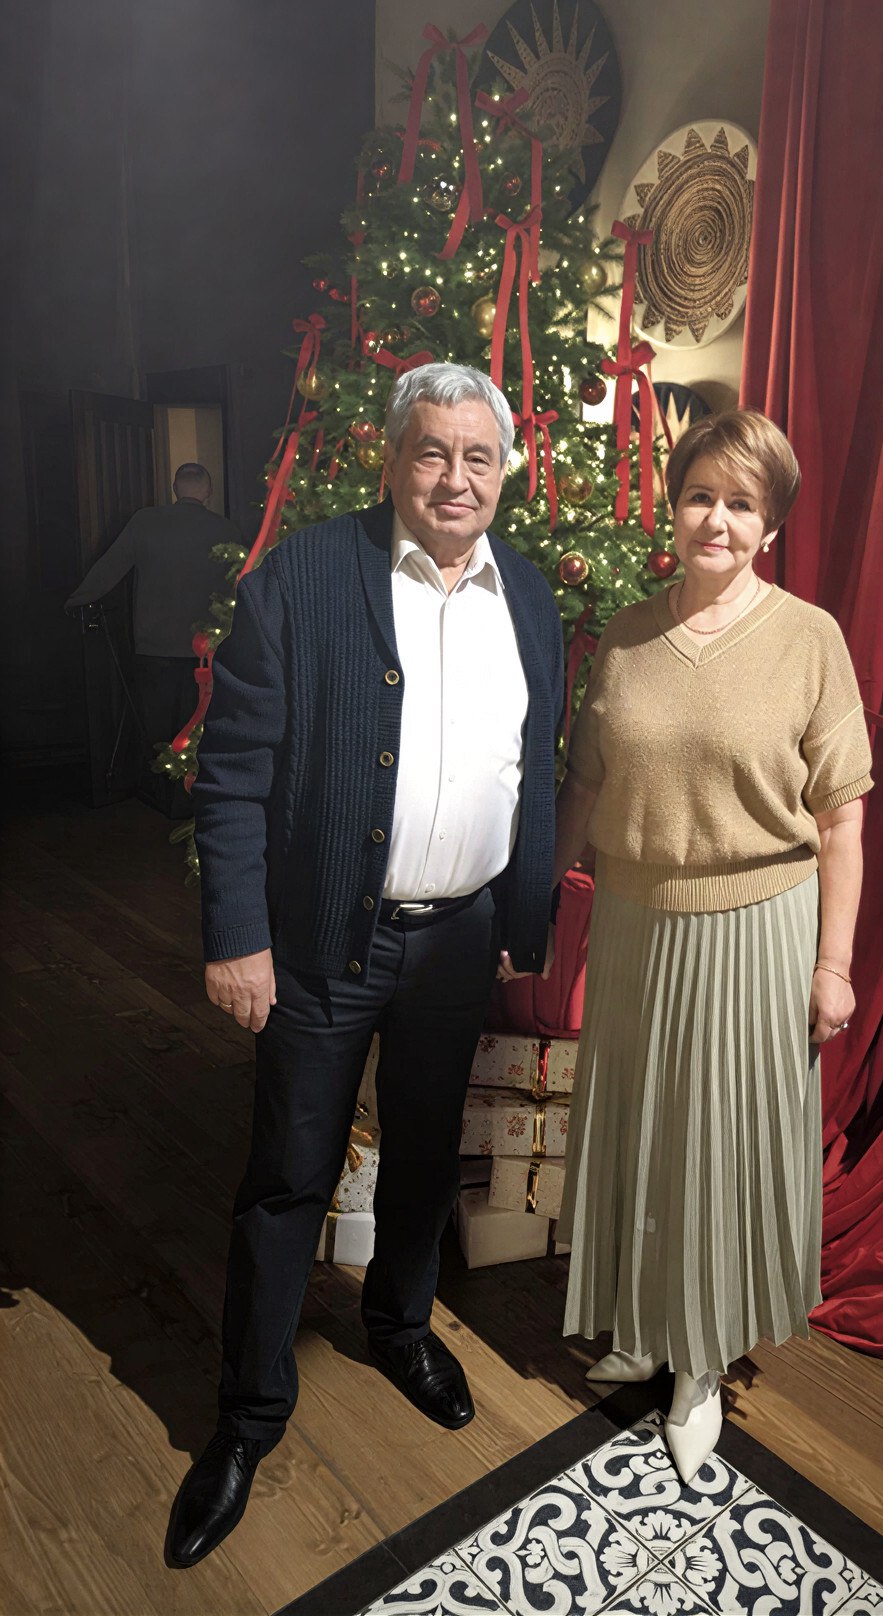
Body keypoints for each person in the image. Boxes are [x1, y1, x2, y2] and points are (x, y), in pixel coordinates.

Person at [165, 364, 563, 1569]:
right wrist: (236, 935)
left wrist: (523, 913)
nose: (454, 478)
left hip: (460, 936)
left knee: (428, 1152)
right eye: (431, 452)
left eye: (478, 457)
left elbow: (533, 765)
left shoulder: (526, 595)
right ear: (392, 460)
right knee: (288, 1173)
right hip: (323, 939)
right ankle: (247, 1415)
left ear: (505, 471)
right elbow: (232, 773)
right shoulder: (299, 578)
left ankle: (399, 1324)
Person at [550, 408, 872, 1484]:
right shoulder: (626, 635)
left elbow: (841, 822)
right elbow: (584, 784)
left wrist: (832, 965)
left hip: (757, 926)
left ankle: (698, 1361)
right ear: (673, 506)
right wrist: (536, 899)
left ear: (769, 525)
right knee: (639, 1130)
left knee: (720, 1147)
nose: (716, 520)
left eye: (741, 503)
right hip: (634, 921)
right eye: (699, 496)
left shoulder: (808, 638)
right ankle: (644, 1324)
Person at [64, 463, 238, 817]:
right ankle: (192, 801)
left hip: (154, 644)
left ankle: (163, 799)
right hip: (206, 650)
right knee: (200, 726)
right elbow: (242, 583)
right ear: (208, 492)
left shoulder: (145, 522)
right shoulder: (226, 529)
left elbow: (111, 566)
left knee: (157, 727)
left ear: (175, 488)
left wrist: (78, 599)